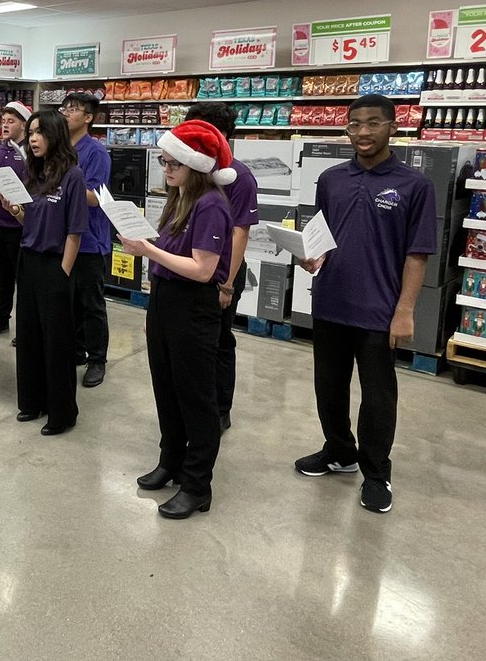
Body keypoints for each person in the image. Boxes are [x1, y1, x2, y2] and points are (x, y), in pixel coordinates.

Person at [294, 95, 437, 515]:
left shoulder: (415, 185)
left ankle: (376, 473)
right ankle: (339, 451)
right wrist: (311, 256)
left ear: (393, 126)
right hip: (330, 300)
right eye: (354, 124)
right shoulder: (332, 178)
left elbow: (417, 254)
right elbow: (321, 234)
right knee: (329, 388)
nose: (362, 132)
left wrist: (405, 310)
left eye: (373, 123)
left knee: (377, 398)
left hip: (379, 309)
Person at [120, 120, 236, 519]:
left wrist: (148, 251)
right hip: (166, 302)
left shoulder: (211, 205)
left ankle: (196, 484)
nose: (166, 170)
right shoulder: (180, 197)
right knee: (166, 388)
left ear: (197, 165)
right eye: (164, 162)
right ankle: (170, 460)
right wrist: (145, 245)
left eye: (174, 163)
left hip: (194, 305)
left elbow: (203, 269)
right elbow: (171, 253)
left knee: (196, 398)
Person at [3, 110, 87, 436]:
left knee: (57, 343)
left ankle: (62, 413)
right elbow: (33, 223)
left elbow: (75, 232)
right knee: (29, 336)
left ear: (55, 135)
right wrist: (17, 212)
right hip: (29, 261)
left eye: (39, 133)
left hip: (56, 265)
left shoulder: (73, 176)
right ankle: (32, 402)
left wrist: (63, 274)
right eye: (31, 133)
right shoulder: (33, 173)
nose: (33, 139)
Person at [183, 102, 259, 432]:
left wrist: (227, 283)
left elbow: (240, 231)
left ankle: (220, 407)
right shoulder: (190, 170)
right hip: (190, 267)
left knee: (220, 341)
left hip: (221, 274)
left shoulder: (238, 177)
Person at [60, 92, 111, 388]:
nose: (66, 113)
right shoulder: (59, 148)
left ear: (88, 118)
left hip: (90, 240)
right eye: (64, 108)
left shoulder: (96, 153)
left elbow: (95, 198)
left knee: (91, 303)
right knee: (67, 300)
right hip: (62, 238)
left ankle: (97, 360)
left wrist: (58, 186)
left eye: (74, 110)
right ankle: (76, 350)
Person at [0, 101, 31, 336]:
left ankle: (24, 328)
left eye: (11, 121)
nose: (5, 126)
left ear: (23, 124)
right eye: (3, 121)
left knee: (22, 279)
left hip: (20, 224)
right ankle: (1, 318)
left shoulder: (28, 153)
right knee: (4, 275)